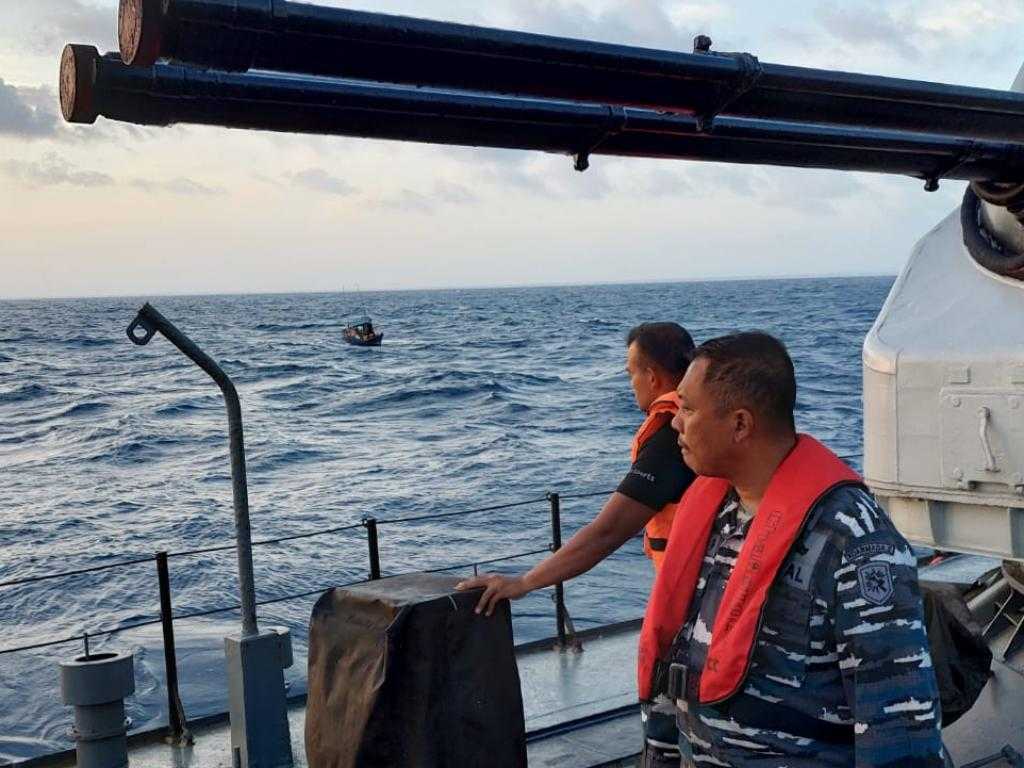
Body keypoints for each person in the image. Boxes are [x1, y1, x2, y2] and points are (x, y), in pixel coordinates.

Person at [638, 332, 945, 767]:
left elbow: (897, 721)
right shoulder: (708, 509)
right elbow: (677, 655)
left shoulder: (854, 538)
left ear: (740, 425)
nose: (674, 422)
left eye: (687, 408)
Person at [457, 321, 697, 767]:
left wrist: (524, 582)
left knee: (671, 726)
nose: (629, 383)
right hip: (712, 590)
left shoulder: (671, 436)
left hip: (693, 609)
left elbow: (607, 532)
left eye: (630, 372)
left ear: (653, 376)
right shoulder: (704, 424)